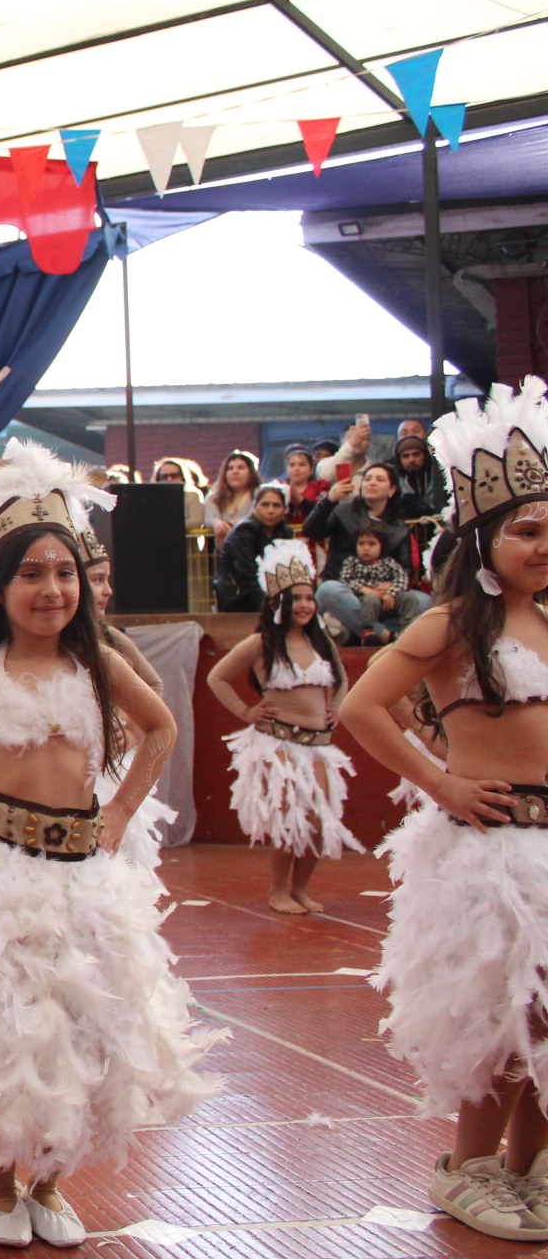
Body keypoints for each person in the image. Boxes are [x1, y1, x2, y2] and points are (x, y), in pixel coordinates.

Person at [0, 437, 219, 1248]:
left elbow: (161, 726)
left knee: (87, 1028)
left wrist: (120, 810)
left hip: (86, 876)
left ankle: (52, 1181)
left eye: (65, 572)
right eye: (30, 573)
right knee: (6, 1028)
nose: (51, 589)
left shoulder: (98, 664)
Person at [341, 378, 548, 1244]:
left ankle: (528, 1171)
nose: (545, 546)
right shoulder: (453, 626)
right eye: (527, 531)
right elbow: (361, 707)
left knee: (547, 1021)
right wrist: (444, 784)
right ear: (481, 539)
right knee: (505, 1019)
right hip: (492, 854)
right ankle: (467, 1166)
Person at [209, 539, 362, 914]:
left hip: (318, 744)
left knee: (319, 820)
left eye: (310, 598)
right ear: (279, 603)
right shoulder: (261, 643)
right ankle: (278, 890)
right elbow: (217, 677)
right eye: (297, 599)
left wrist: (335, 710)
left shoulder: (321, 642)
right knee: (293, 816)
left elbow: (342, 680)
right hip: (277, 741)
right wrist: (246, 711)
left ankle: (300, 889)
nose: (306, 605)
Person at [82, 526, 177, 869]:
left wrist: (132, 729)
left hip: (106, 775)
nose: (108, 590)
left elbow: (154, 684)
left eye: (107, 579)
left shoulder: (111, 641)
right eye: (97, 580)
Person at [306, 461, 432, 642]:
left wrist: (390, 587)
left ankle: (364, 630)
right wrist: (329, 500)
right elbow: (312, 531)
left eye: (379, 479)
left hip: (383, 595)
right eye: (368, 479)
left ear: (392, 490)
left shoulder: (400, 527)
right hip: (348, 590)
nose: (372, 483)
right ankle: (384, 635)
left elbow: (406, 569)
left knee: (424, 602)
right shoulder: (343, 512)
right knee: (328, 590)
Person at [214, 484, 294, 613]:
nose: (270, 510)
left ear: (285, 509)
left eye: (277, 505)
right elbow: (247, 572)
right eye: (265, 505)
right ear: (255, 507)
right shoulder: (244, 530)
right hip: (238, 594)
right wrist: (268, 604)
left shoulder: (285, 531)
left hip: (269, 591)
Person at [340, 522, 422, 642]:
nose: (365, 548)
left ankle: (407, 631)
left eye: (372, 544)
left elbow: (402, 578)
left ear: (381, 546)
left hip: (388, 600)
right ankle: (367, 631)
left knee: (410, 598)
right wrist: (364, 589)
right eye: (361, 544)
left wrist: (391, 593)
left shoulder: (388, 562)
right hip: (366, 601)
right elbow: (345, 580)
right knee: (371, 599)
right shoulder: (352, 562)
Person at [202, 449, 262, 542]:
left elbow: (255, 517)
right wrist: (217, 524)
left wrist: (230, 524)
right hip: (223, 548)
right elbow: (210, 518)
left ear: (251, 472)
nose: (235, 472)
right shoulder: (213, 497)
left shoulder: (260, 494)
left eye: (241, 467)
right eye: (230, 468)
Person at [393, 432, 448, 521]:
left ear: (425, 455)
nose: (411, 460)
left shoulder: (439, 476)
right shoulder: (393, 481)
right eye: (406, 456)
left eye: (416, 454)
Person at [152, 456, 205, 531]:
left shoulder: (193, 495)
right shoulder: (153, 499)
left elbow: (196, 522)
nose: (169, 479)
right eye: (164, 476)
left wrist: (166, 526)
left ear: (183, 477)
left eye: (174, 475)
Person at [280, 446, 329, 526]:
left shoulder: (319, 487)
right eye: (292, 465)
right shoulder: (280, 488)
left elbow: (324, 514)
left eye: (302, 465)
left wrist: (301, 500)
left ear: (311, 470)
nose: (296, 468)